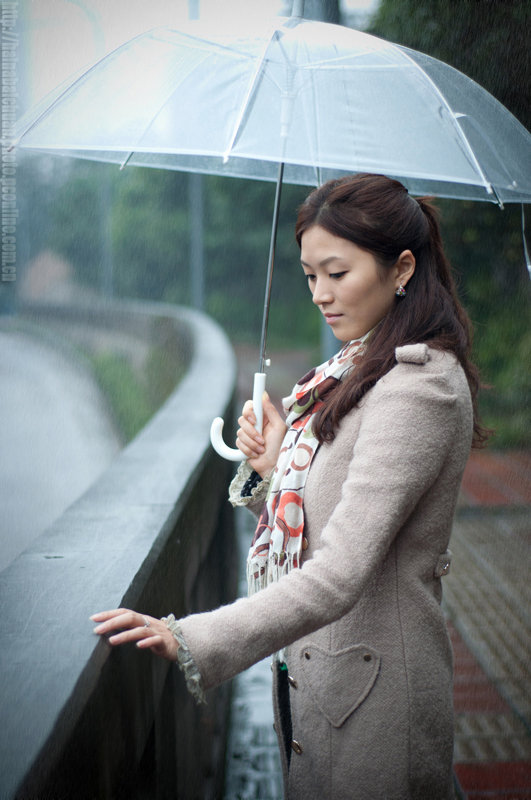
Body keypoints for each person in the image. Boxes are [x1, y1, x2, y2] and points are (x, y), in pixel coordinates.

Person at [92, 173, 486, 800]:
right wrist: (279, 464)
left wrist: (193, 638)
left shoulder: (418, 386)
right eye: (309, 275)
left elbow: (339, 570)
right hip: (323, 684)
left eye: (338, 272)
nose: (320, 295)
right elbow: (329, 512)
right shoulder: (356, 368)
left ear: (403, 267)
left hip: (376, 696)